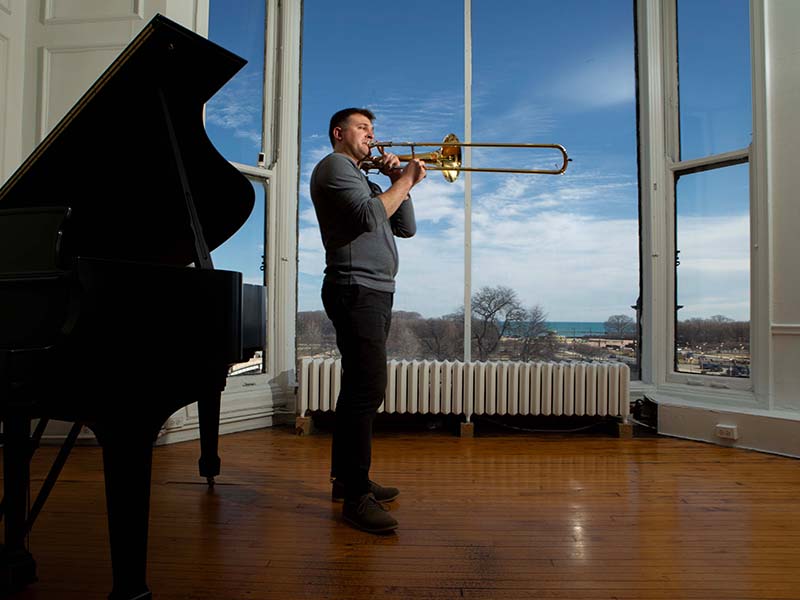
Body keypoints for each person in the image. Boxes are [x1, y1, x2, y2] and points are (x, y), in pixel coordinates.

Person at [310, 108, 426, 533]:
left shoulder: (365, 179)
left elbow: (406, 228)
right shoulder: (334, 167)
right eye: (363, 129)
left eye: (373, 131)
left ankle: (347, 481)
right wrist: (405, 180)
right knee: (367, 388)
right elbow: (366, 218)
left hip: (375, 290)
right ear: (339, 133)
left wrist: (402, 186)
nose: (372, 137)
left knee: (358, 387)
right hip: (354, 288)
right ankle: (356, 498)